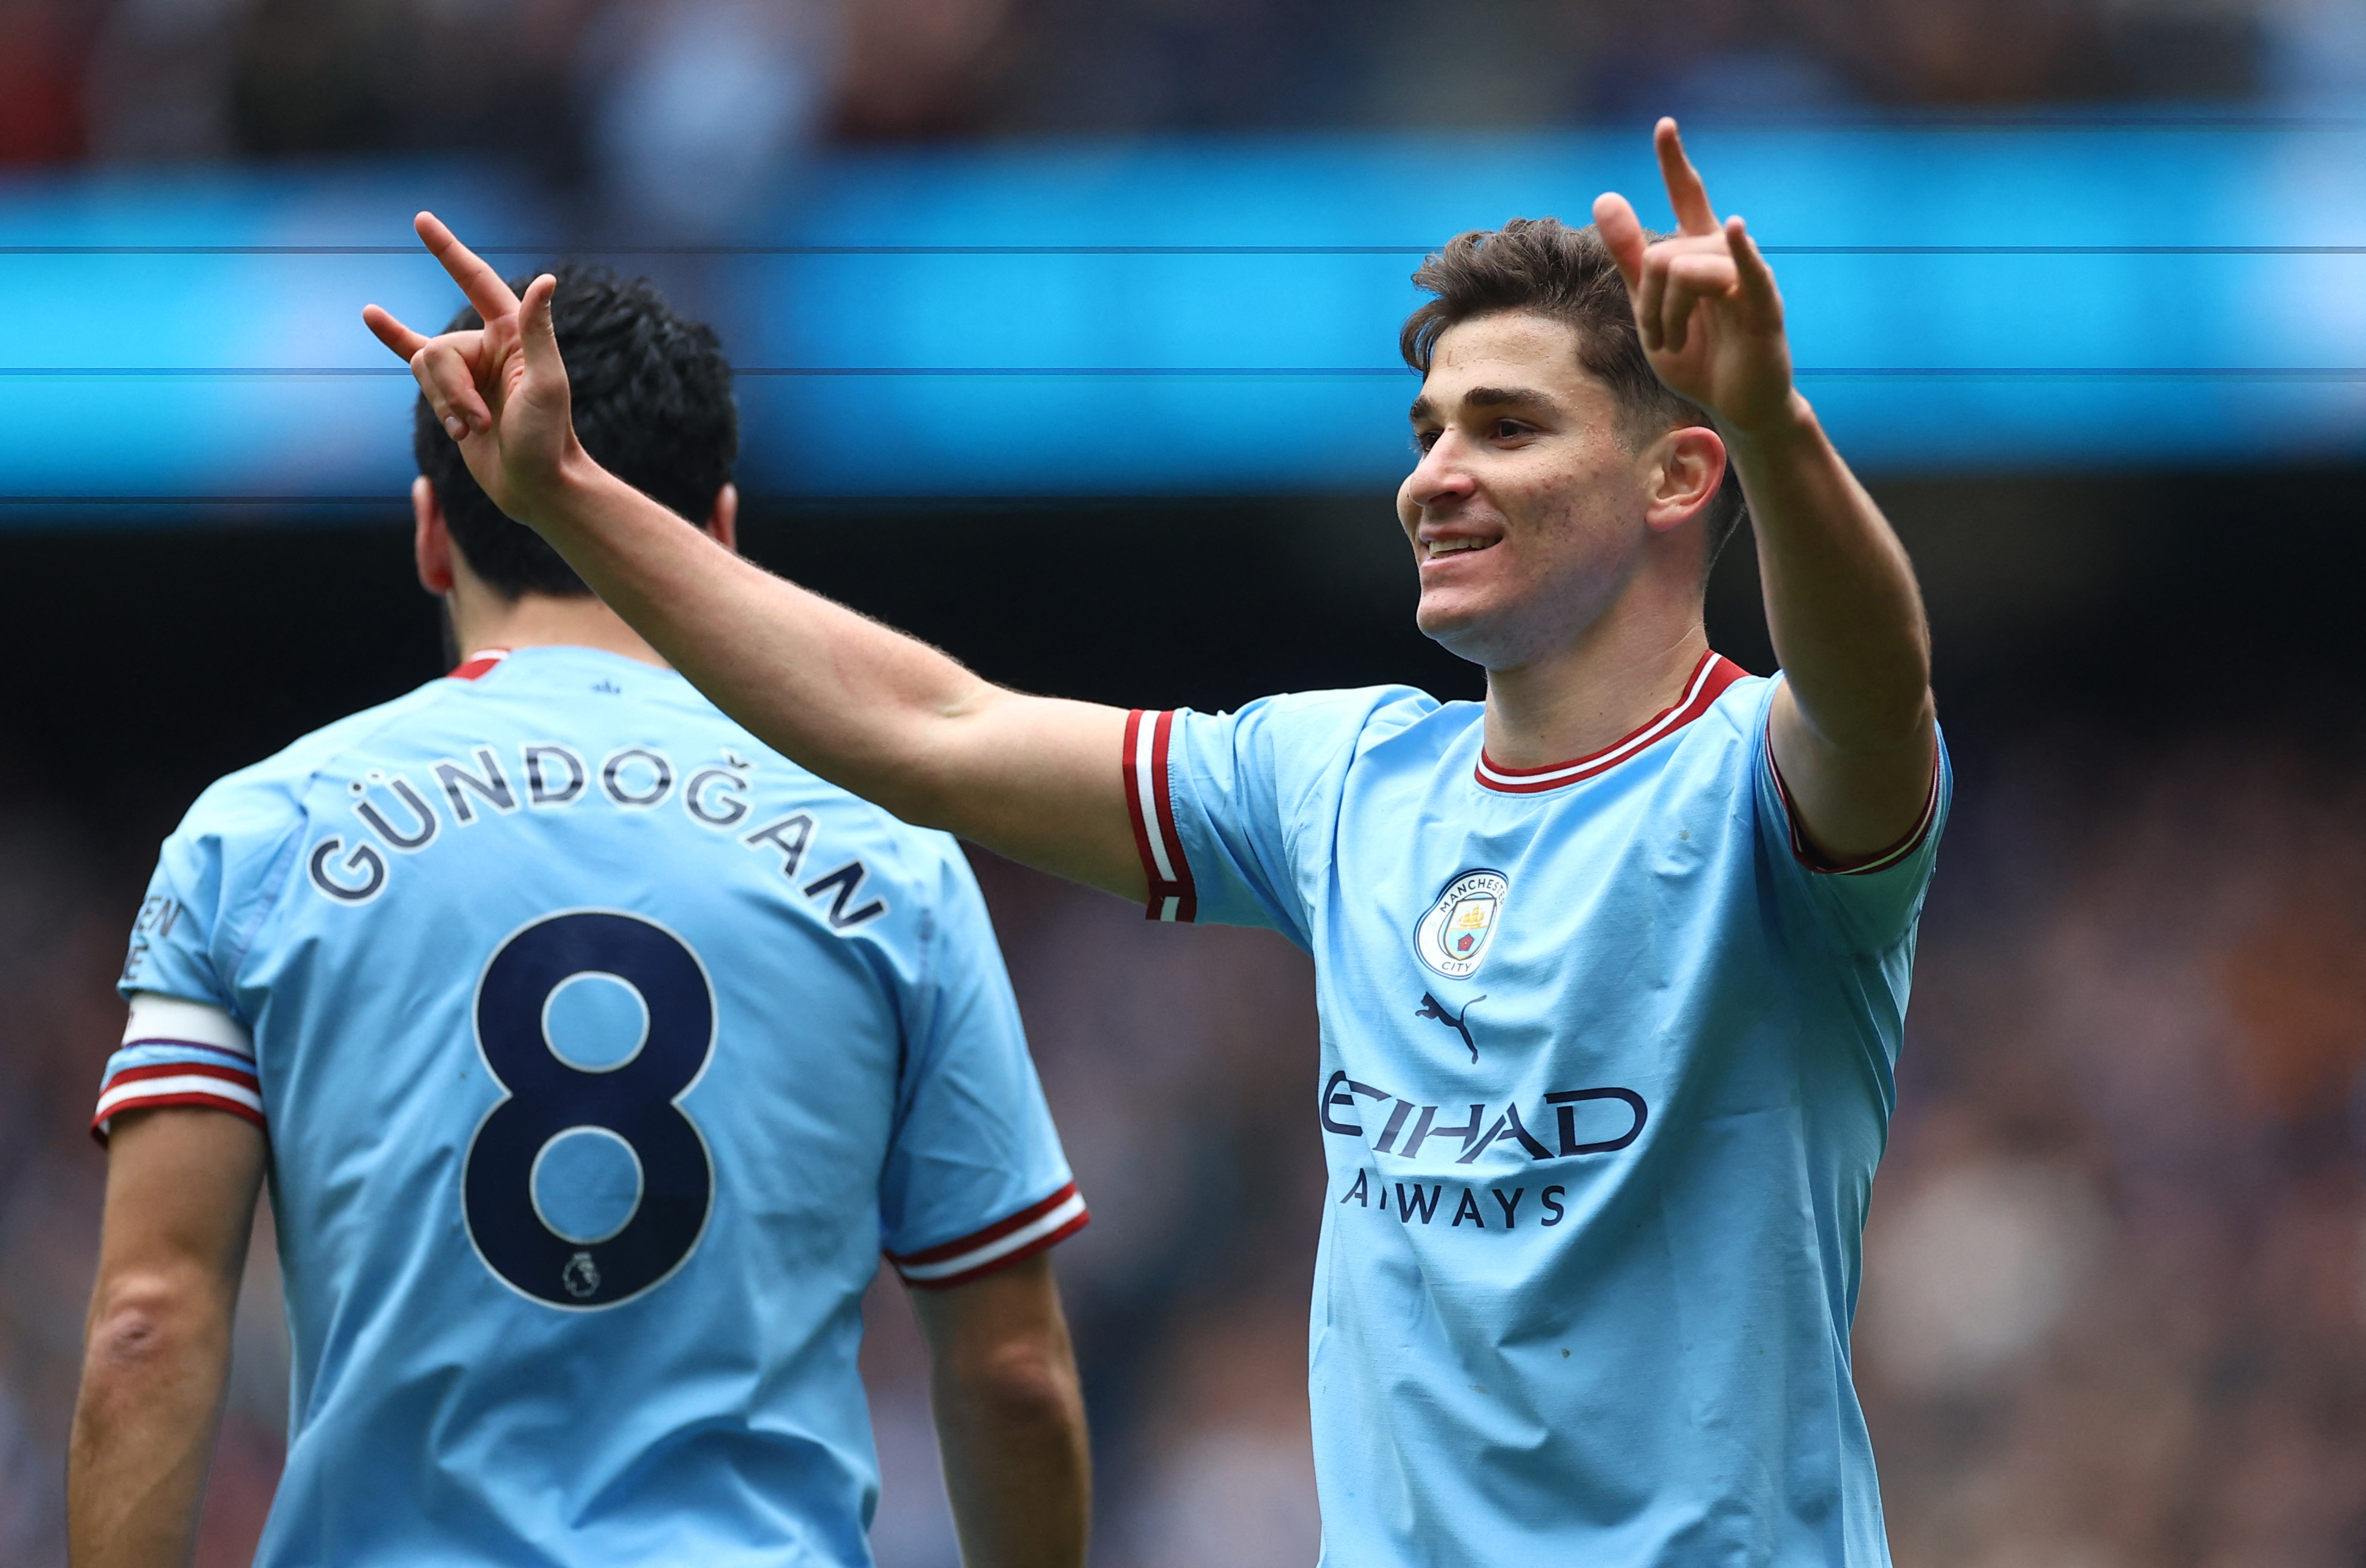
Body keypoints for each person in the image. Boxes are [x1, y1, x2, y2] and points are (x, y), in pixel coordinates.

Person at [367, 119, 1946, 1565]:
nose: (1434, 476)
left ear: (1678, 473)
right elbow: (931, 727)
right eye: (1425, 427)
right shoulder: (1337, 779)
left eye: (1506, 427)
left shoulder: (1761, 784)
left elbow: (1875, 690)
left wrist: (1772, 417)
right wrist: (570, 497)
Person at [69, 267, 1092, 1568]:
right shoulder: (889, 850)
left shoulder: (253, 835)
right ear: (717, 538)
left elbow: (147, 1326)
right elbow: (1012, 1373)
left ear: (431, 531)